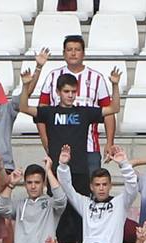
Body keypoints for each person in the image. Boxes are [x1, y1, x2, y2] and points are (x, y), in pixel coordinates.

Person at [34, 35, 118, 171]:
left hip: (89, 149)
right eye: (69, 49)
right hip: (58, 149)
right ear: (63, 53)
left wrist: (109, 143)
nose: (73, 53)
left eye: (77, 49)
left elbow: (109, 112)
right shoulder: (53, 76)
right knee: (58, 191)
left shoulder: (96, 78)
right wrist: (46, 143)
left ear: (84, 53)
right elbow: (41, 113)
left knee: (90, 190)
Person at [24, 70, 109, 199]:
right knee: (58, 213)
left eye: (73, 92)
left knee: (79, 215)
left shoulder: (84, 112)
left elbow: (114, 109)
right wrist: (25, 86)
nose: (70, 95)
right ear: (58, 92)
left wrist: (114, 85)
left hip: (80, 171)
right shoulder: (49, 112)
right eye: (66, 91)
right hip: (56, 171)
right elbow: (23, 107)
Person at [56, 144, 138, 243]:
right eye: (97, 185)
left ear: (110, 186)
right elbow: (67, 188)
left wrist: (124, 164)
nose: (101, 188)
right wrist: (63, 166)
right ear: (91, 187)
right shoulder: (85, 204)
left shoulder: (120, 203)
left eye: (104, 184)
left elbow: (132, 187)